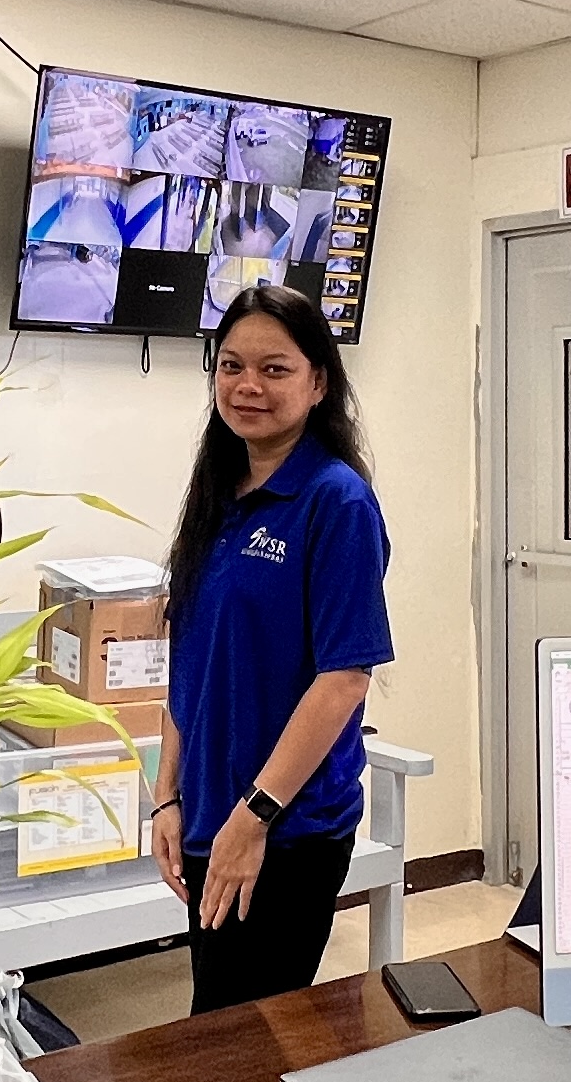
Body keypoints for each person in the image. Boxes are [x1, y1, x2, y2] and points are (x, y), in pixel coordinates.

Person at [151, 283, 393, 1013]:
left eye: (275, 369)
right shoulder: (219, 493)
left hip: (283, 832)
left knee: (240, 1039)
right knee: (218, 1030)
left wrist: (251, 818)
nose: (247, 386)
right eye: (230, 366)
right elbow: (190, 663)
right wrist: (165, 796)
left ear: (319, 382)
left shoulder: (335, 500)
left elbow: (345, 679)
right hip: (207, 817)